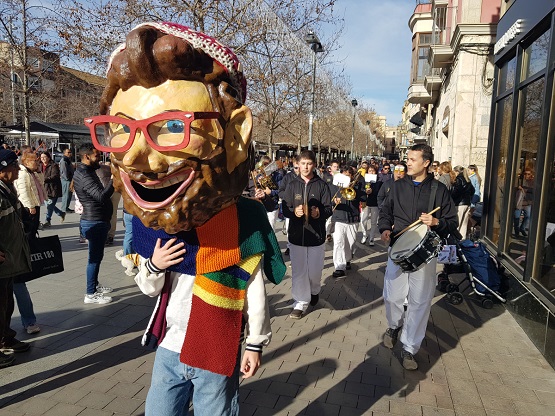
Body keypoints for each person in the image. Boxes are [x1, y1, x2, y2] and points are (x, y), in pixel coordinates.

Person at [87, 22, 285, 415]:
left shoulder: (241, 225)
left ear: (234, 135)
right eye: (121, 129)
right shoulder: (153, 227)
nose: (136, 157)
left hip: (216, 347)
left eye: (173, 127)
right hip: (170, 346)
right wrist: (155, 265)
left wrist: (254, 343)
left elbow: (254, 291)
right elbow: (150, 289)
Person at [379, 144, 457, 371]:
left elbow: (452, 222)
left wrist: (437, 222)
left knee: (420, 301)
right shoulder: (397, 186)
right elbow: (385, 212)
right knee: (392, 296)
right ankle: (394, 325)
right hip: (398, 247)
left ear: (426, 163)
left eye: (413, 159)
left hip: (424, 253)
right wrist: (385, 228)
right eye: (408, 158)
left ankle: (409, 346)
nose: (408, 163)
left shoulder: (438, 190)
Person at [282, 150, 332, 319]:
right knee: (299, 272)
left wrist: (319, 213)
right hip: (297, 236)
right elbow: (285, 208)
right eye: (303, 163)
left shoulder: (322, 185)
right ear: (298, 164)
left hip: (316, 236)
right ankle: (300, 302)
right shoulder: (292, 184)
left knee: (314, 272)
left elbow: (328, 209)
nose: (305, 167)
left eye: (309, 163)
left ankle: (314, 290)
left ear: (314, 165)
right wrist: (293, 212)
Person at [0, 149, 32, 368]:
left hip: (9, 259)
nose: (19, 170)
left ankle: (6, 337)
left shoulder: (7, 188)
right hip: (2, 260)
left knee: (6, 301)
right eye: (14, 166)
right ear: (2, 169)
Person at [73, 144, 115, 304]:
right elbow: (101, 196)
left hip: (97, 220)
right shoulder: (85, 174)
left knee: (97, 256)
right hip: (94, 222)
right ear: (87, 157)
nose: (99, 159)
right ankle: (90, 293)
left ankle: (95, 285)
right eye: (96, 156)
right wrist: (114, 181)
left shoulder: (87, 171)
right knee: (94, 259)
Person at [14, 150, 45, 334]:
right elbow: (24, 191)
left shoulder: (31, 173)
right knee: (17, 285)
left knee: (18, 284)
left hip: (12, 250)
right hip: (9, 250)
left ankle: (28, 321)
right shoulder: (21, 175)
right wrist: (29, 206)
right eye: (34, 161)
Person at [329, 165, 364, 278]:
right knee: (338, 242)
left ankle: (347, 259)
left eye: (348, 176)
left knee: (350, 242)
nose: (346, 178)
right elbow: (328, 199)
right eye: (344, 176)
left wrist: (357, 190)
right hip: (338, 217)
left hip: (353, 218)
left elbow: (364, 199)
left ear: (352, 177)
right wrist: (334, 201)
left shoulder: (357, 185)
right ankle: (339, 267)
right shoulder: (334, 185)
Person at [39, 151, 65, 227]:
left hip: (53, 188)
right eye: (41, 157)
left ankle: (47, 220)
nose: (43, 159)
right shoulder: (40, 165)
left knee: (50, 205)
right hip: (44, 188)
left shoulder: (54, 165)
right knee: (48, 204)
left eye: (44, 157)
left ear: (48, 157)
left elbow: (55, 176)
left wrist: (44, 179)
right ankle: (61, 213)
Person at [360, 165, 382, 246]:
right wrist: (365, 191)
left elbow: (380, 192)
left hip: (374, 203)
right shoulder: (364, 180)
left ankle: (371, 238)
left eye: (373, 171)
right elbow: (361, 189)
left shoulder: (379, 181)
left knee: (373, 222)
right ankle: (364, 235)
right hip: (365, 203)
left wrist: (373, 191)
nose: (371, 172)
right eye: (370, 170)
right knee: (363, 221)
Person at [451, 165, 475, 240]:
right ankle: (463, 239)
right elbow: (473, 190)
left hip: (459, 204)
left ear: (457, 172)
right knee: (464, 224)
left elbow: (456, 192)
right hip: (467, 203)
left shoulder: (458, 179)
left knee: (457, 223)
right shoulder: (467, 179)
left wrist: (452, 198)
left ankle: (456, 239)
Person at [514, 168, 534, 238]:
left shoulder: (532, 182)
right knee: (516, 218)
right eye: (525, 174)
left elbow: (533, 191)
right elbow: (514, 187)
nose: (527, 175)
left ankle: (522, 228)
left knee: (527, 216)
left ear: (531, 174)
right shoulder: (519, 180)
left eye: (528, 174)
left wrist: (523, 189)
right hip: (519, 202)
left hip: (527, 202)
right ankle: (517, 232)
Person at [59, 148, 74, 213]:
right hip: (66, 180)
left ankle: (66, 207)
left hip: (69, 179)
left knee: (69, 195)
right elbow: (64, 171)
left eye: (70, 152)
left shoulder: (68, 160)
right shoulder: (64, 160)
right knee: (66, 195)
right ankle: (64, 209)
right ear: (64, 153)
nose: (70, 154)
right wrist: (68, 179)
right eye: (68, 152)